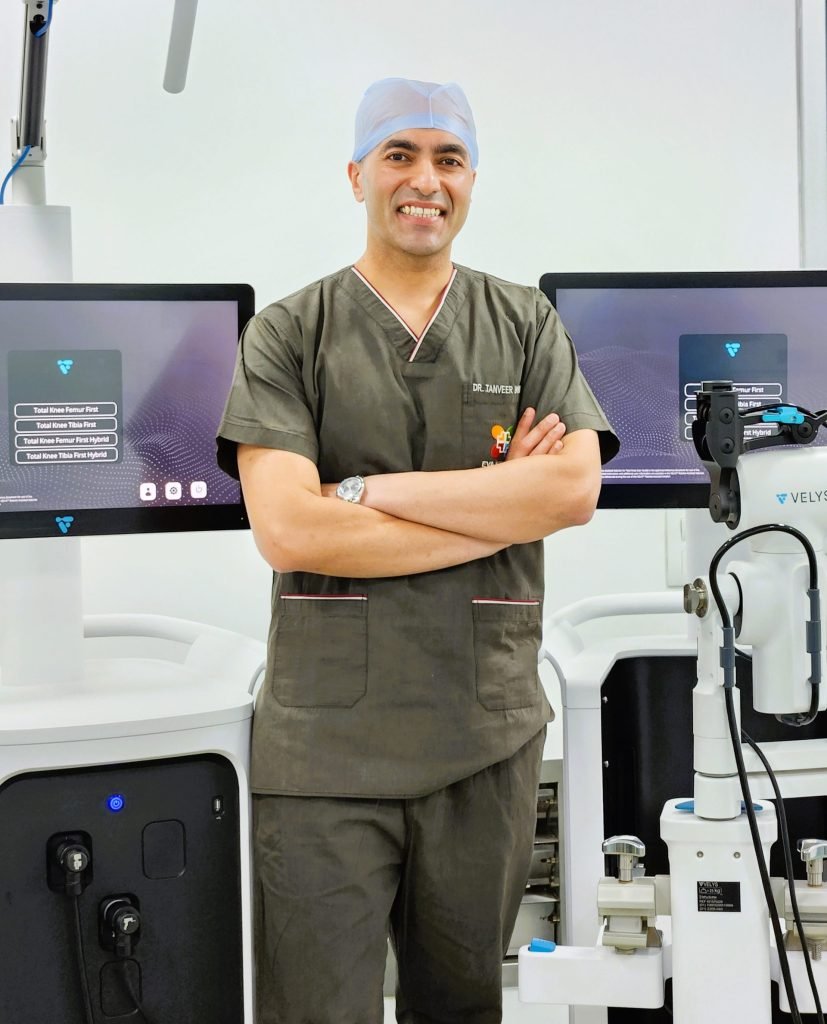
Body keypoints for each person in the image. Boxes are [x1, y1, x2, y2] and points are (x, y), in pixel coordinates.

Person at [217, 77, 619, 1024]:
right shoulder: (287, 334)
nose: (424, 180)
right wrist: (496, 504)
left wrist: (362, 490)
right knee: (317, 1011)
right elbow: (290, 531)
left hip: (483, 736)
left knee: (465, 1006)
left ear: (471, 179)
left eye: (449, 159)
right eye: (399, 155)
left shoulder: (523, 323)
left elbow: (570, 491)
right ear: (357, 175)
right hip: (323, 756)